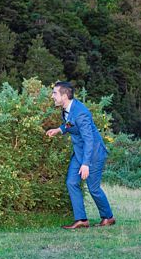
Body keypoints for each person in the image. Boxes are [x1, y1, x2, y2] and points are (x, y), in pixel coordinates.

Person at [45, 81, 115, 229]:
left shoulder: (81, 113)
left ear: (64, 95)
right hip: (79, 152)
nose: (52, 96)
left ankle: (108, 217)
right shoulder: (67, 109)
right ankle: (81, 220)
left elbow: (89, 139)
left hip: (93, 153)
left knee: (93, 188)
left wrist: (85, 164)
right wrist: (59, 129)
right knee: (71, 182)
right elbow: (70, 124)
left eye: (54, 93)